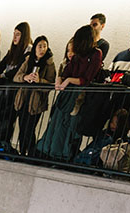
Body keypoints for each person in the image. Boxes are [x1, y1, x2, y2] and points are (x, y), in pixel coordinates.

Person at [36, 28, 102, 162]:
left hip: (79, 97)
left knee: (70, 128)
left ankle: (65, 158)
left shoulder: (96, 54)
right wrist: (60, 79)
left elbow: (87, 79)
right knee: (57, 125)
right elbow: (67, 71)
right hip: (68, 95)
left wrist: (68, 80)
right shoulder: (77, 56)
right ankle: (52, 155)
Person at [13, 36, 56, 157]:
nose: (42, 49)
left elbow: (50, 84)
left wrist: (39, 81)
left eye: (45, 46)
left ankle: (30, 154)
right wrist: (25, 77)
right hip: (23, 99)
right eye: (40, 46)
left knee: (30, 129)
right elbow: (16, 77)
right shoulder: (28, 60)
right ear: (35, 48)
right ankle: (22, 152)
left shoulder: (49, 64)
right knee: (22, 128)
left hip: (36, 102)